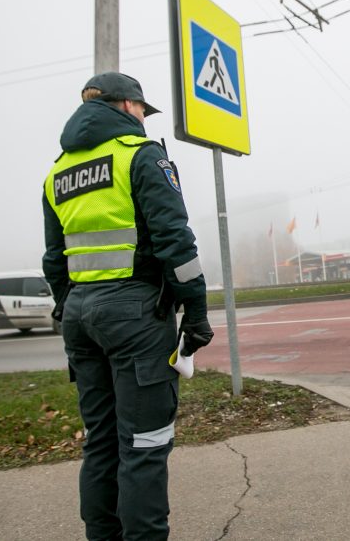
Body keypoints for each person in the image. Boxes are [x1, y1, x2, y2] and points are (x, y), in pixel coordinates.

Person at [42, 71, 213, 539]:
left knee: (101, 444)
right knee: (144, 443)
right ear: (124, 106)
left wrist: (71, 308)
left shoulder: (58, 172)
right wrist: (195, 313)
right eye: (142, 109)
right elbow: (176, 242)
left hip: (79, 314)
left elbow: (54, 259)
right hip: (135, 314)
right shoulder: (140, 157)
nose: (143, 117)